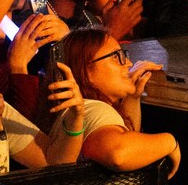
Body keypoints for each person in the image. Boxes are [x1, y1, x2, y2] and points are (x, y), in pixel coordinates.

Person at [48, 29, 177, 175]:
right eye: (116, 57)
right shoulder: (94, 108)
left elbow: (125, 138)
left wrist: (133, 97)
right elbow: (117, 154)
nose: (128, 63)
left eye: (124, 55)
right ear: (85, 72)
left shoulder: (83, 108)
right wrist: (170, 142)